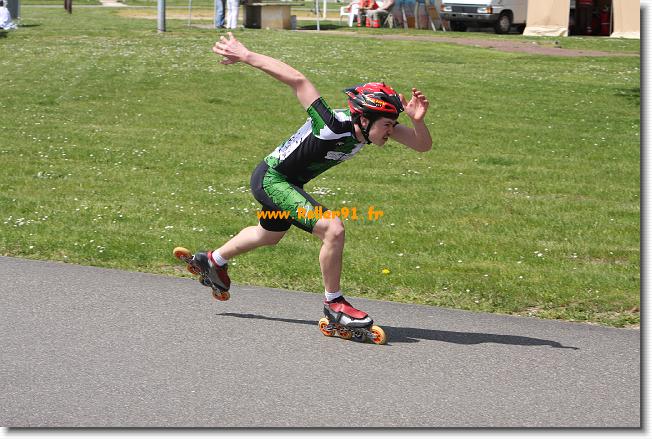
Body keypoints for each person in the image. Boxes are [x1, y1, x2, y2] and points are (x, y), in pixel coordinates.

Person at [189, 32, 431, 328]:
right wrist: (246, 55)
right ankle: (334, 304)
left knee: (268, 235)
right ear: (364, 119)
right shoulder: (331, 125)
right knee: (333, 229)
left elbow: (422, 145)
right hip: (272, 180)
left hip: (289, 184)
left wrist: (417, 121)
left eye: (394, 125)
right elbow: (298, 81)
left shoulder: (372, 130)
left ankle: (213, 260)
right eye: (388, 125)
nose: (391, 131)